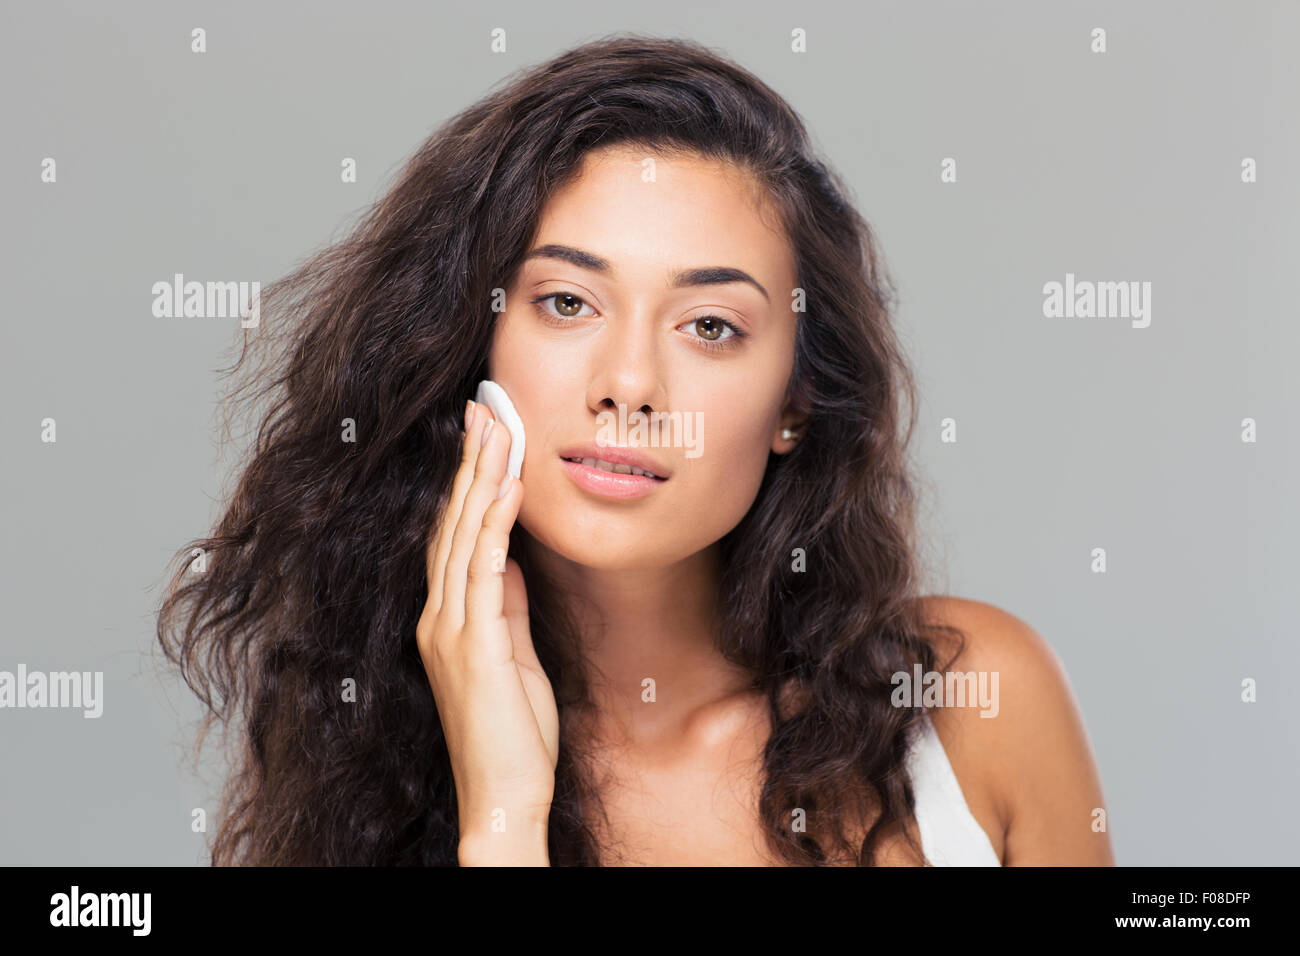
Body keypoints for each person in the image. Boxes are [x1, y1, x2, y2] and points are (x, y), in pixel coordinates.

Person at [157, 34, 1113, 866]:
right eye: (566, 303)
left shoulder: (970, 701)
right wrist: (501, 825)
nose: (629, 385)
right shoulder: (364, 773)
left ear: (795, 403)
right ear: (465, 347)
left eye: (709, 325)